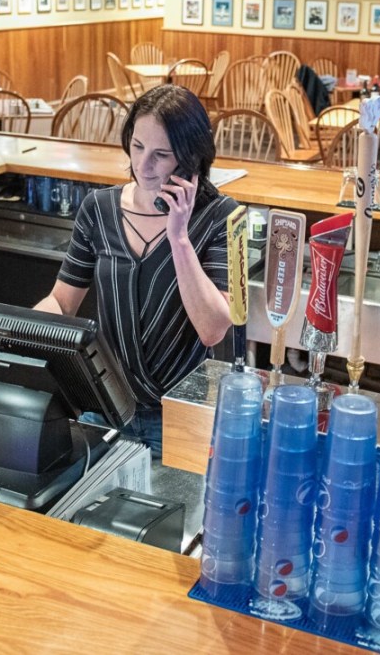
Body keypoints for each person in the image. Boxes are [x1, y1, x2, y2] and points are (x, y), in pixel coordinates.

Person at [34, 86, 238, 456]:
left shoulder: (221, 216)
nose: (143, 165)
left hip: (179, 415)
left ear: (190, 159)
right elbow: (62, 303)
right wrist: (23, 334)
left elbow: (212, 329)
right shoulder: (98, 208)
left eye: (161, 155)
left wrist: (179, 238)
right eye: (138, 146)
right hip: (106, 405)